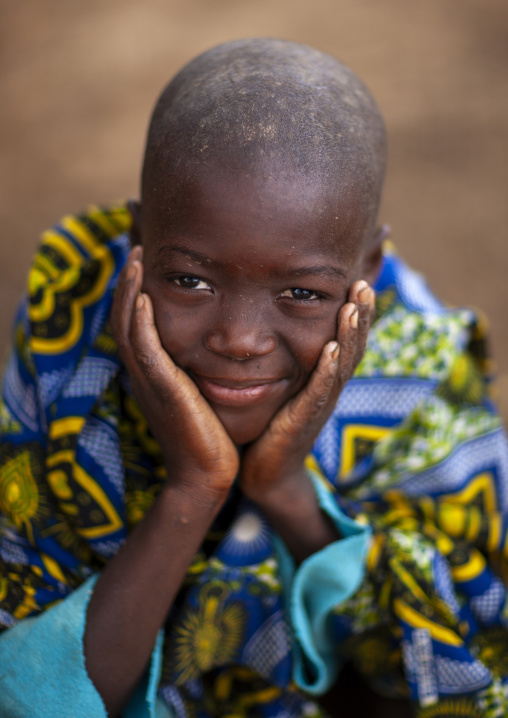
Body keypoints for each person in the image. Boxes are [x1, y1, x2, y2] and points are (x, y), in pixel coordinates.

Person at [0, 38, 507, 718]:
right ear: (136, 242)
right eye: (189, 279)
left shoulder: (418, 384)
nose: (238, 340)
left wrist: (287, 489)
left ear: (370, 270)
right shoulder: (68, 357)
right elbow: (25, 698)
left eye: (300, 294)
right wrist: (194, 486)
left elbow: (456, 679)